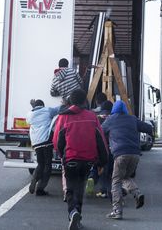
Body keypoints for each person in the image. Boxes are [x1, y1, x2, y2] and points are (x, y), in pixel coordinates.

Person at [53, 89, 108, 230]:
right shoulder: (92, 116)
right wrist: (102, 161)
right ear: (85, 101)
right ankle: (77, 219)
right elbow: (101, 140)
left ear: (70, 101)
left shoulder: (63, 117)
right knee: (80, 189)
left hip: (70, 158)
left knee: (70, 189)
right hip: (88, 160)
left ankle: (73, 212)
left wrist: (62, 155)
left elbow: (57, 140)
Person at [101, 100, 153, 220]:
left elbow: (100, 131)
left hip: (120, 154)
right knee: (125, 177)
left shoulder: (110, 119)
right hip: (135, 155)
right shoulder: (132, 119)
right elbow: (148, 128)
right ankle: (137, 193)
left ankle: (117, 211)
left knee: (115, 181)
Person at [26, 99, 60, 196]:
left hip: (36, 143)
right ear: (43, 105)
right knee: (47, 165)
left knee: (40, 164)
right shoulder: (47, 110)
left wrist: (33, 107)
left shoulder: (29, 115)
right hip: (46, 142)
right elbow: (60, 109)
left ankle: (34, 179)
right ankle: (40, 188)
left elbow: (35, 113)